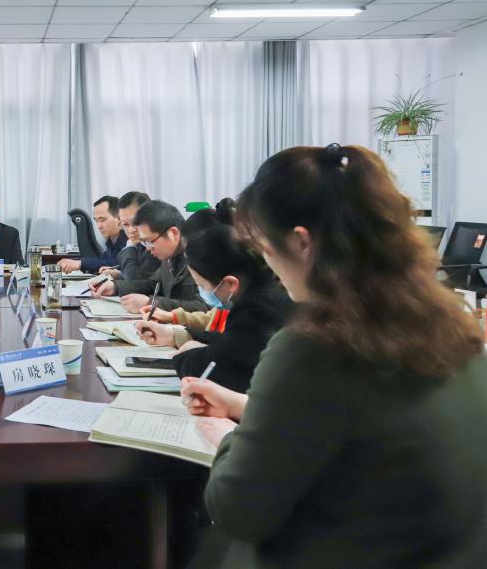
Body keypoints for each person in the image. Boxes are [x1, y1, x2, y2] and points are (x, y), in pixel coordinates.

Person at [181, 145, 487, 567]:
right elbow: (366, 419)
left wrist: (226, 435)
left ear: (300, 241)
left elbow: (237, 510)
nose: (270, 267)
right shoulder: (452, 322)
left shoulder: (315, 346)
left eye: (266, 249)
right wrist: (244, 406)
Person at [136, 220, 293, 392]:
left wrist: (185, 357)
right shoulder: (262, 293)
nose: (203, 292)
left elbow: (221, 366)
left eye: (202, 286)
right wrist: (175, 335)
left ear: (230, 284)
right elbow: (232, 341)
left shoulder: (257, 310)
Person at [92, 200, 206, 312]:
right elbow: (152, 285)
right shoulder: (169, 256)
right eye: (144, 242)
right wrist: (115, 287)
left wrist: (151, 303)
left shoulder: (200, 256)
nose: (147, 248)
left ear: (173, 234)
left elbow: (205, 309)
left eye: (150, 241)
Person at [100, 191, 160, 284]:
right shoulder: (141, 243)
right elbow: (142, 276)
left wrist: (129, 247)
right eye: (125, 225)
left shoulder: (158, 244)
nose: (131, 230)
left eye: (135, 222)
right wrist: (120, 274)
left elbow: (134, 282)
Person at [58, 196, 127, 274]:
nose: (99, 226)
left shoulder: (129, 240)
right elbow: (103, 261)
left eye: (102, 220)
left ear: (119, 218)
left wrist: (81, 263)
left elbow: (117, 263)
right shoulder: (111, 241)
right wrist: (74, 262)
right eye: (96, 221)